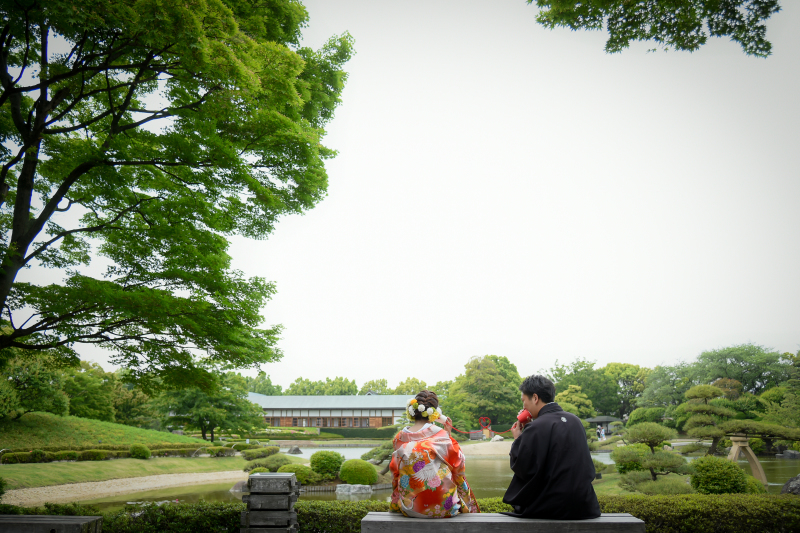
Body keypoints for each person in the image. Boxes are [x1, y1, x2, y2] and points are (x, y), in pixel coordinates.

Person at [503, 375, 601, 520]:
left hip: (551, 506)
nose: (524, 407)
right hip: (584, 505)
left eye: (524, 401)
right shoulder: (575, 420)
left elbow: (523, 467)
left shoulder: (536, 427)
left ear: (535, 398)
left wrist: (518, 438)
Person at [389, 390, 480, 518]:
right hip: (444, 508)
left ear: (412, 412)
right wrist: (448, 435)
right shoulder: (441, 435)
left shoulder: (399, 438)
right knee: (455, 472)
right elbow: (459, 467)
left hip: (410, 508)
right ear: (435, 414)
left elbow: (394, 472)